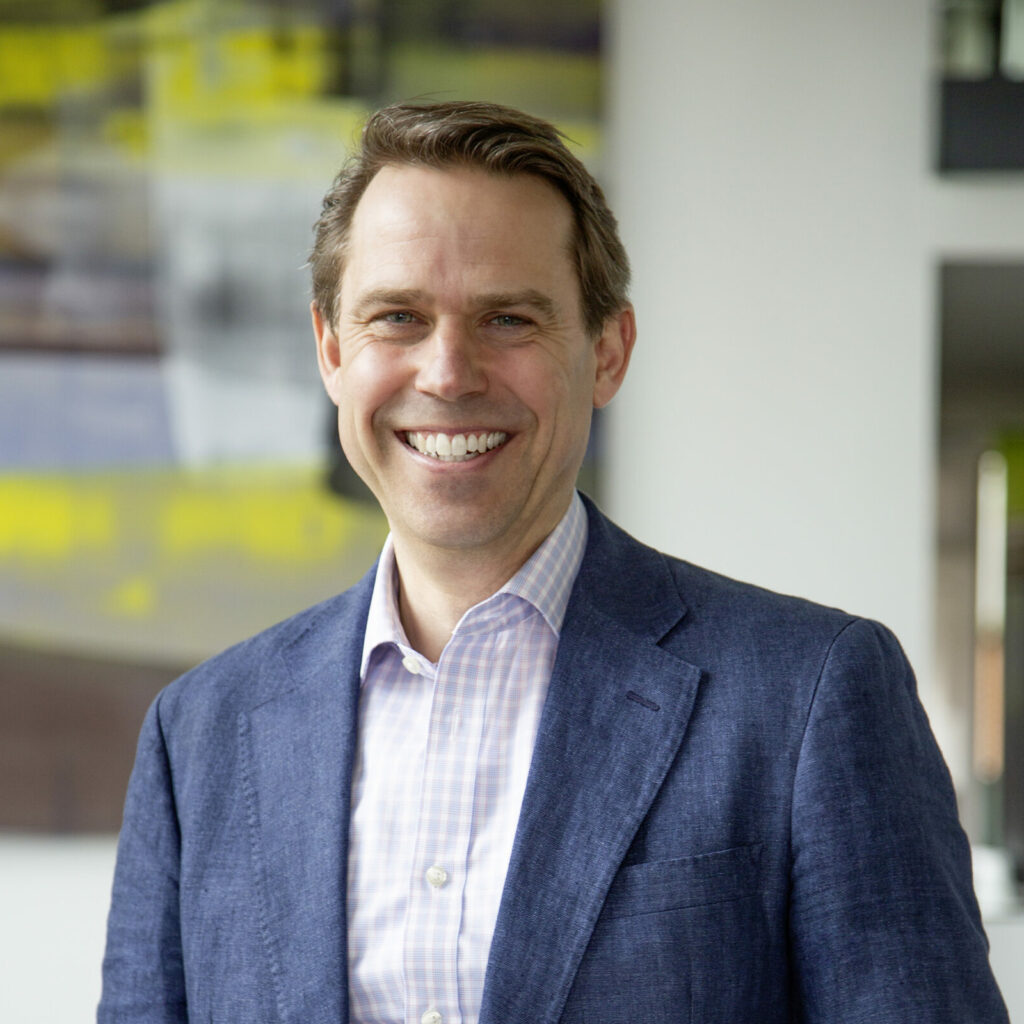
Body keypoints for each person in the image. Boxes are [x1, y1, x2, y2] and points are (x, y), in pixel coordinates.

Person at [99, 101, 1008, 1024]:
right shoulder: (199, 736)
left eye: (507, 319)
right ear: (333, 351)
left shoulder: (810, 696)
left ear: (607, 353)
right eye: (398, 317)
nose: (447, 373)